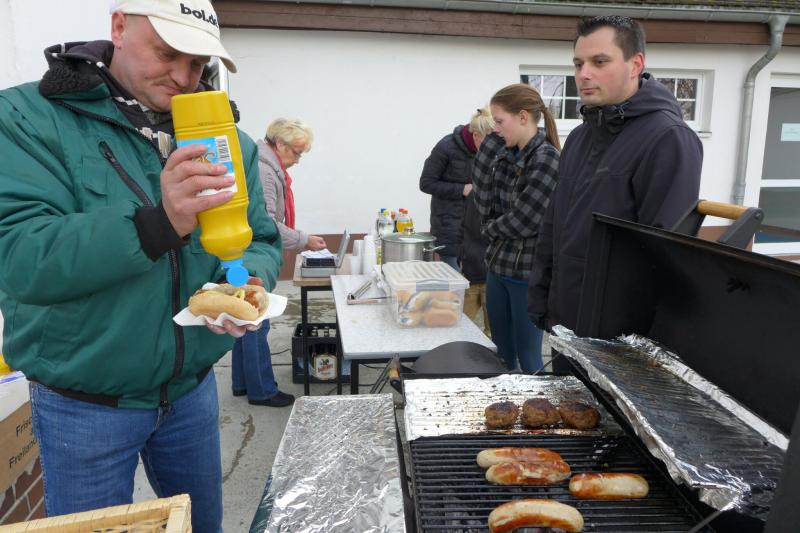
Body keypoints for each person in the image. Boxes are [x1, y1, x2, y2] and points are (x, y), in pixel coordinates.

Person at [0, 1, 282, 531]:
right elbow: (19, 257)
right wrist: (157, 224)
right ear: (119, 27)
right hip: (84, 402)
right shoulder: (25, 118)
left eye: (197, 63)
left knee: (201, 526)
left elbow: (261, 237)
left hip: (191, 390)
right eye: (168, 53)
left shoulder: (226, 139)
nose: (184, 77)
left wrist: (248, 279)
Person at [527, 15, 703, 372]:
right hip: (566, 325)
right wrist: (542, 298)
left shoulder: (667, 138)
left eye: (599, 62)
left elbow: (665, 257)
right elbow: (554, 225)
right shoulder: (580, 137)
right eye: (578, 63)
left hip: (618, 345)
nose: (584, 74)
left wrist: (641, 353)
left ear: (635, 64)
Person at [231, 118, 322, 407]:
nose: (297, 160)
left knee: (245, 316)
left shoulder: (264, 163)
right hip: (254, 253)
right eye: (296, 152)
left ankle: (241, 383)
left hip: (246, 251)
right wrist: (303, 239)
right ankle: (262, 390)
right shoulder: (264, 170)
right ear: (280, 144)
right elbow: (267, 224)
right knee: (258, 321)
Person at [473, 84, 560, 372]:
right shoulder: (505, 155)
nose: (495, 129)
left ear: (523, 117)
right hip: (498, 268)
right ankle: (507, 400)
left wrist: (490, 229)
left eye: (499, 122)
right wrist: (488, 147)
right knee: (502, 354)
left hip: (526, 275)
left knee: (528, 356)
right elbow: (484, 204)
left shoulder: (547, 158)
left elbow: (525, 220)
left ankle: (539, 401)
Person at [420, 108, 494, 270]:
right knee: (454, 280)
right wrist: (461, 189)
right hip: (449, 229)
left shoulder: (490, 152)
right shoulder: (446, 147)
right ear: (476, 135)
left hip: (477, 231)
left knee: (474, 281)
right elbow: (426, 183)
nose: (492, 147)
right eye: (488, 142)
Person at [460, 109, 498, 336]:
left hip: (490, 270)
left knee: (495, 333)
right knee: (456, 327)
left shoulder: (501, 170)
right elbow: (468, 225)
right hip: (473, 267)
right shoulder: (478, 171)